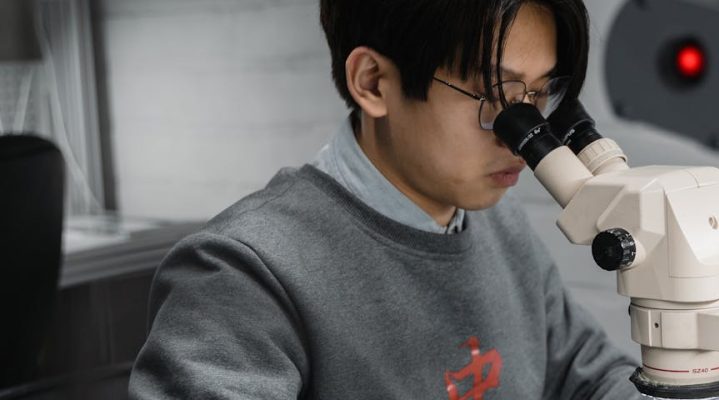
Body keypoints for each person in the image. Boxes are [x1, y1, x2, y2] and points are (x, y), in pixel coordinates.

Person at [128, 0, 641, 398]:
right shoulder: (243, 273)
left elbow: (592, 376)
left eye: (539, 94)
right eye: (495, 95)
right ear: (373, 83)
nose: (519, 139)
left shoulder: (500, 226)